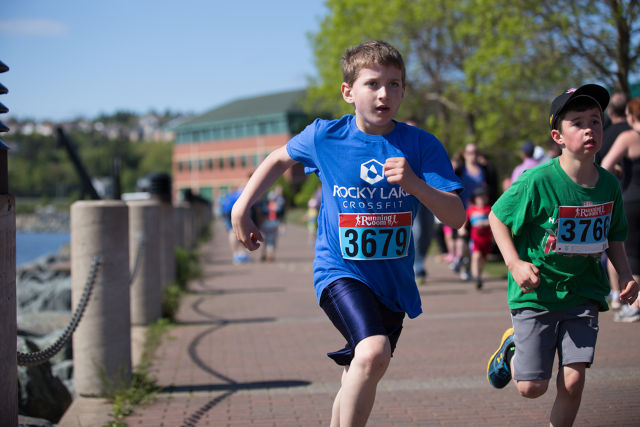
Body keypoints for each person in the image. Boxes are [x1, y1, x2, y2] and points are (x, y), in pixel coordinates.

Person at [231, 40, 465, 427]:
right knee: (373, 352)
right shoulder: (326, 136)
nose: (384, 93)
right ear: (348, 92)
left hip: (392, 281)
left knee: (361, 370)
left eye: (394, 84)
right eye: (372, 83)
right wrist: (242, 207)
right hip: (340, 271)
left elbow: (455, 217)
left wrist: (414, 184)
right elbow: (277, 158)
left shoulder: (421, 145)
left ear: (404, 91)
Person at [486, 84, 639, 426]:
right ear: (557, 135)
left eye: (596, 121)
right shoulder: (537, 180)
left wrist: (626, 274)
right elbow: (497, 216)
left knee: (573, 380)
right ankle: (512, 348)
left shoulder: (609, 186)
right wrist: (514, 263)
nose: (590, 129)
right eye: (578, 122)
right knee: (531, 387)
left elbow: (614, 235)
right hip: (536, 294)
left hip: (583, 292)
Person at [602, 96, 640, 322]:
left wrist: (618, 170)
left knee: (631, 253)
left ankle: (633, 304)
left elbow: (606, 166)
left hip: (632, 199)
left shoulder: (629, 137)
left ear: (631, 116)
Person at [597, 92, 631, 310]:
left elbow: (603, 166)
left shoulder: (606, 135)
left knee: (613, 244)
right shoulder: (631, 133)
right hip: (624, 195)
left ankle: (617, 293)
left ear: (610, 113)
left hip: (618, 196)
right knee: (619, 244)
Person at [466, 185, 492, 290]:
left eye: (483, 197)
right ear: (475, 199)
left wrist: (485, 223)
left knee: (482, 259)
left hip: (487, 239)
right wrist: (462, 229)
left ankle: (479, 274)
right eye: (479, 197)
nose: (481, 199)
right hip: (475, 238)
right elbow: (464, 220)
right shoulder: (471, 210)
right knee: (476, 256)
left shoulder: (489, 209)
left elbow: (494, 221)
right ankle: (476, 277)